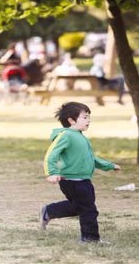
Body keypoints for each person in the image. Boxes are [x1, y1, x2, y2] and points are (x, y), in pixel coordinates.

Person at [40, 102, 121, 243]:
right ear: (71, 120)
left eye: (89, 117)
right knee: (89, 209)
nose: (88, 120)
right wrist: (51, 173)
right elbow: (51, 154)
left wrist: (108, 165)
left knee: (79, 206)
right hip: (71, 181)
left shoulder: (80, 136)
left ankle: (49, 211)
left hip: (84, 180)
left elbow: (90, 158)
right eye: (85, 117)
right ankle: (90, 238)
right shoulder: (66, 136)